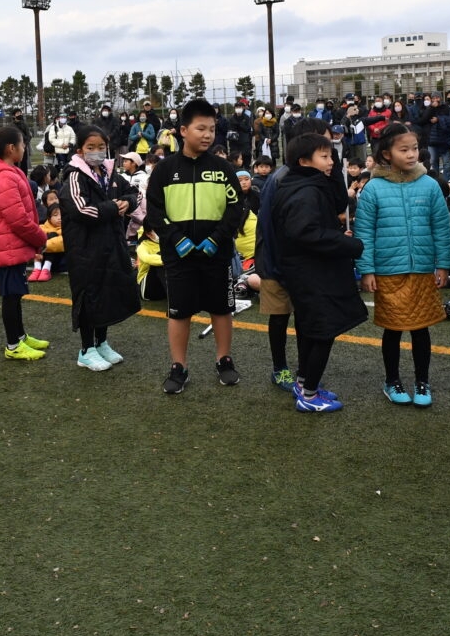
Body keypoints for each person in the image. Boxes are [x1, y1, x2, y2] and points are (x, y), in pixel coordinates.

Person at [144, 98, 246, 394]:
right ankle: (179, 366)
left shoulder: (223, 168)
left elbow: (236, 207)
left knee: (221, 309)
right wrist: (177, 239)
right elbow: (154, 210)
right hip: (179, 256)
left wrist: (216, 238)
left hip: (217, 255)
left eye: (212, 129)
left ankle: (224, 359)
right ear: (183, 130)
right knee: (179, 312)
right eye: (201, 128)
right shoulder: (164, 169)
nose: (207, 135)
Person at [263, 132, 365, 412]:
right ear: (304, 161)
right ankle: (308, 396)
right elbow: (306, 232)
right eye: (324, 156)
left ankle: (304, 383)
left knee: (312, 330)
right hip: (311, 273)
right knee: (323, 330)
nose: (331, 161)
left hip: (306, 271)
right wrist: (348, 244)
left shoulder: (304, 184)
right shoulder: (305, 190)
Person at [355, 122, 450, 406]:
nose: (411, 154)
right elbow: (364, 232)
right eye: (404, 150)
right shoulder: (373, 188)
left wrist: (444, 264)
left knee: (421, 329)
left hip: (422, 269)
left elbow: (441, 227)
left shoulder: (430, 184)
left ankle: (422, 381)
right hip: (388, 271)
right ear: (387, 154)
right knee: (393, 329)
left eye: (415, 149)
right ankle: (392, 380)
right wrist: (367, 269)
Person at [59, 124, 141, 370]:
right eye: (90, 147)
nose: (96, 152)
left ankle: (101, 342)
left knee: (107, 293)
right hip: (84, 249)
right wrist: (114, 207)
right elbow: (81, 210)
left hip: (111, 244)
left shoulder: (109, 173)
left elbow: (135, 193)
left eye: (101, 147)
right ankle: (86, 349)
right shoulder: (75, 176)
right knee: (88, 295)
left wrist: (127, 202)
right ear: (80, 150)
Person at [0, 125, 52, 360]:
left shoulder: (8, 172)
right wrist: (40, 237)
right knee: (10, 296)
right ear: (11, 148)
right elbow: (18, 219)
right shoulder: (5, 176)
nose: (24, 148)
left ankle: (20, 336)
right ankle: (13, 345)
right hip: (8, 246)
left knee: (15, 294)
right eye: (22, 144)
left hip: (12, 245)